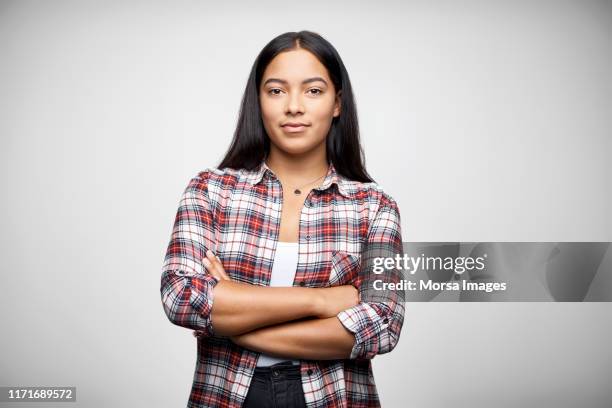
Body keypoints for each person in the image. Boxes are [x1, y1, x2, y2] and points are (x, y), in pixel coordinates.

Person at [160, 30, 405, 408]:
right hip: (227, 396)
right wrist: (321, 302)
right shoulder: (210, 191)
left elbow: (382, 326)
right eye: (276, 90)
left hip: (331, 398)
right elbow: (182, 297)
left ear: (337, 103)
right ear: (258, 101)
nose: (293, 106)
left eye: (313, 91)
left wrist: (238, 323)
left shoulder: (374, 206)